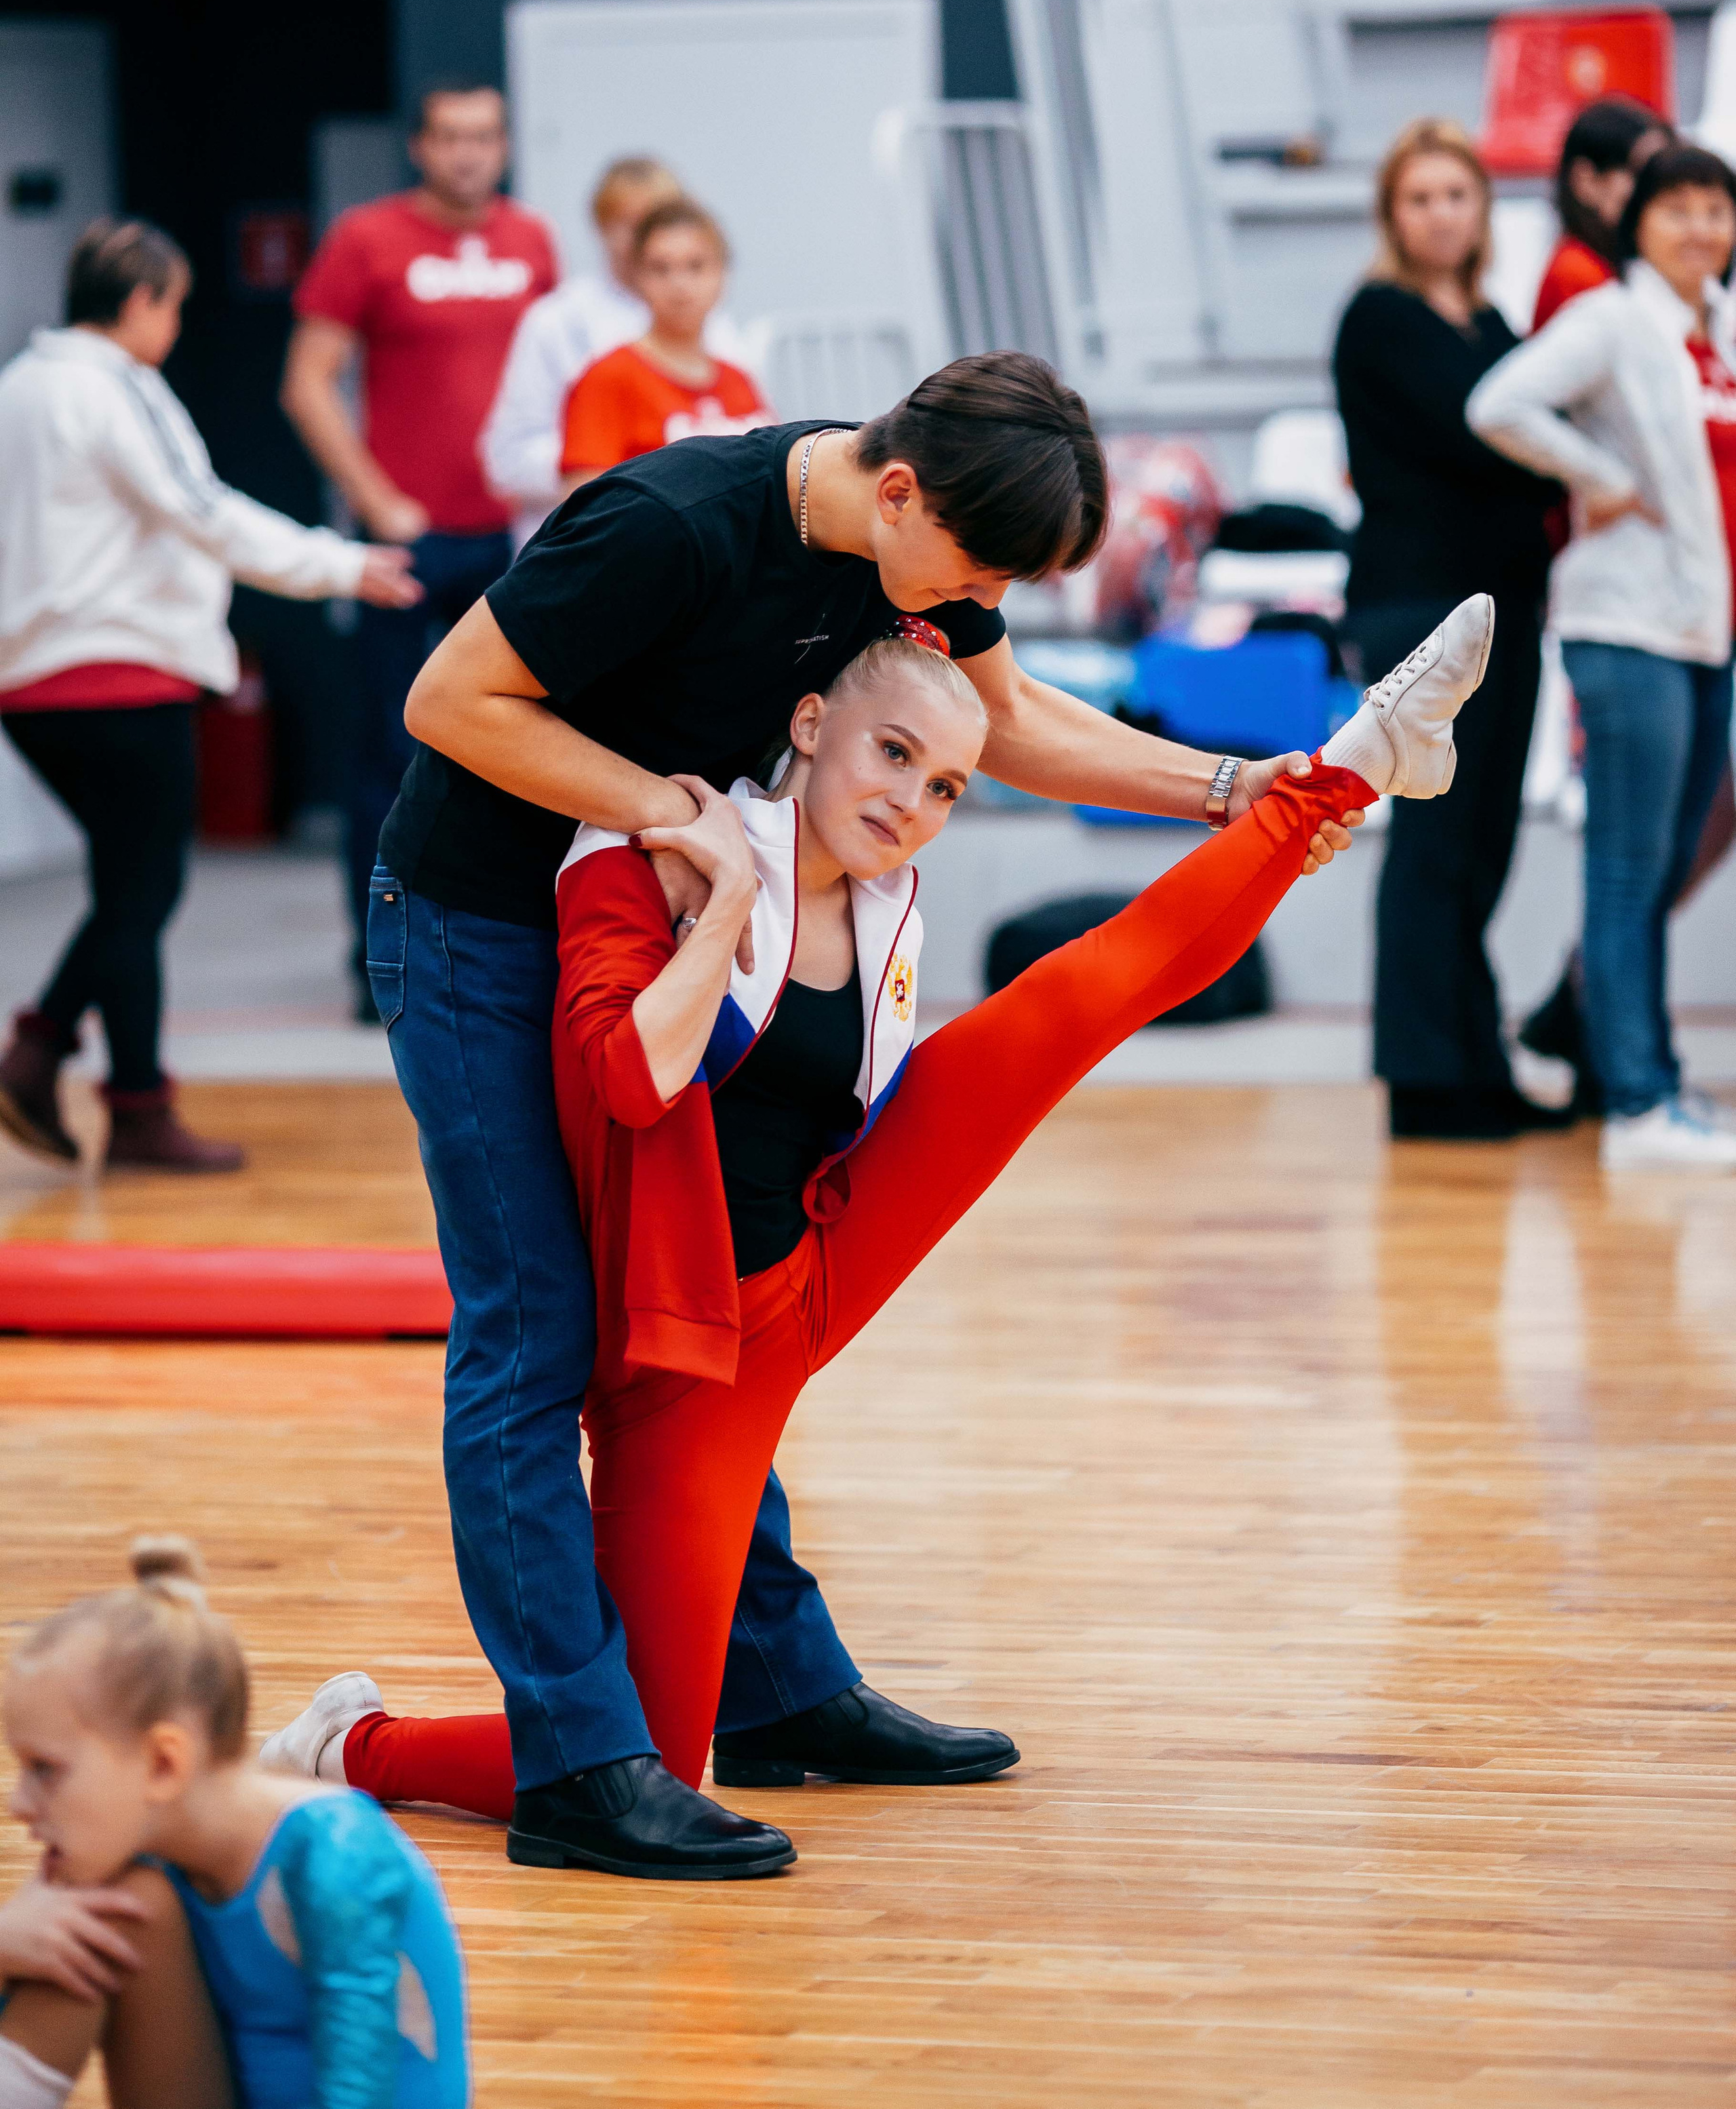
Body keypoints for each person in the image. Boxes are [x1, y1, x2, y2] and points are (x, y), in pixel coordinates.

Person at [363, 354, 1371, 1883]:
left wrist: (1232, 790)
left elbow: (1009, 715)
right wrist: (673, 821)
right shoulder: (669, 524)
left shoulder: (911, 554)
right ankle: (578, 1759)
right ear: (894, 491)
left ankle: (769, 1689)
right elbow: (450, 699)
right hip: (484, 919)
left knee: (726, 1295)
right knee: (535, 1333)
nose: (971, 608)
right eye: (972, 572)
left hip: (666, 895)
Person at [265, 595, 1490, 1831]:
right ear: (811, 722)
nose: (912, 803)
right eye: (893, 755)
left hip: (825, 1244)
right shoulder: (650, 851)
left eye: (948, 787)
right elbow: (629, 1078)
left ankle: (1348, 769)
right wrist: (731, 900)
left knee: (1073, 1004)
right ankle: (354, 1744)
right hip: (687, 1354)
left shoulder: (887, 897)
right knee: (648, 1757)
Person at [0, 220, 418, 1175]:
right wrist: (340, 564)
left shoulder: (17, 388)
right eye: (176, 307)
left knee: (128, 889)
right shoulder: (114, 387)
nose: (177, 328)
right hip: (119, 670)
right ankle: (70, 1070)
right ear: (141, 302)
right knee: (142, 890)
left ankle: (102, 1084)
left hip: (29, 682)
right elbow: (201, 508)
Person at [1467, 143, 1736, 1171]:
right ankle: (1634, 1102)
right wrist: (1600, 478)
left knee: (1665, 862)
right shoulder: (1613, 319)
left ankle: (1651, 1076)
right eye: (1679, 210)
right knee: (1629, 869)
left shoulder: (1716, 333)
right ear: (1641, 224)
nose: (1702, 228)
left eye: (1716, 210)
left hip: (1703, 627)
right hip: (1627, 627)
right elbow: (1499, 403)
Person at [0, 1535, 468, 2108]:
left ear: (162, 1763)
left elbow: (362, 2086)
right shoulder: (134, 1848)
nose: (18, 1803)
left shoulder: (335, 1856)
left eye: (45, 1770)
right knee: (87, 1918)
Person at [282, 82, 557, 1016]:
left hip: (514, 539)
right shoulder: (367, 237)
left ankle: (498, 947)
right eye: (450, 137)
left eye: (484, 136)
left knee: (521, 748)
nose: (468, 153)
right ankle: (380, 960)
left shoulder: (531, 241)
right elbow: (307, 383)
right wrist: (375, 500)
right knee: (387, 753)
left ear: (505, 144)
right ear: (420, 146)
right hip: (409, 542)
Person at [1333, 120, 1569, 1143]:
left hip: (1502, 608)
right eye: (1420, 196)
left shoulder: (1492, 323)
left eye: (1457, 194)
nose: (1440, 212)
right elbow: (1492, 432)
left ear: (1483, 211)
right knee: (1436, 840)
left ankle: (1476, 1059)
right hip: (1418, 607)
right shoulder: (1380, 318)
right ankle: (1425, 1078)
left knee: (1484, 840)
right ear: (1394, 214)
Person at [481, 157, 751, 545]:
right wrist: (636, 456)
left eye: (659, 219)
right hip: (598, 538)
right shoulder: (562, 325)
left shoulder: (720, 338)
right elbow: (507, 459)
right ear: (601, 227)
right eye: (626, 222)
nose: (644, 234)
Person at [557, 200, 771, 490]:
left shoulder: (738, 380)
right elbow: (583, 509)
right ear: (637, 278)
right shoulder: (607, 378)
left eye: (696, 266)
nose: (679, 284)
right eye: (660, 268)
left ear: (723, 273)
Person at [1532, 96, 1676, 332]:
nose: (1659, 190)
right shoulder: (1578, 275)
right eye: (1643, 174)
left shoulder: (1618, 267)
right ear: (1585, 181)